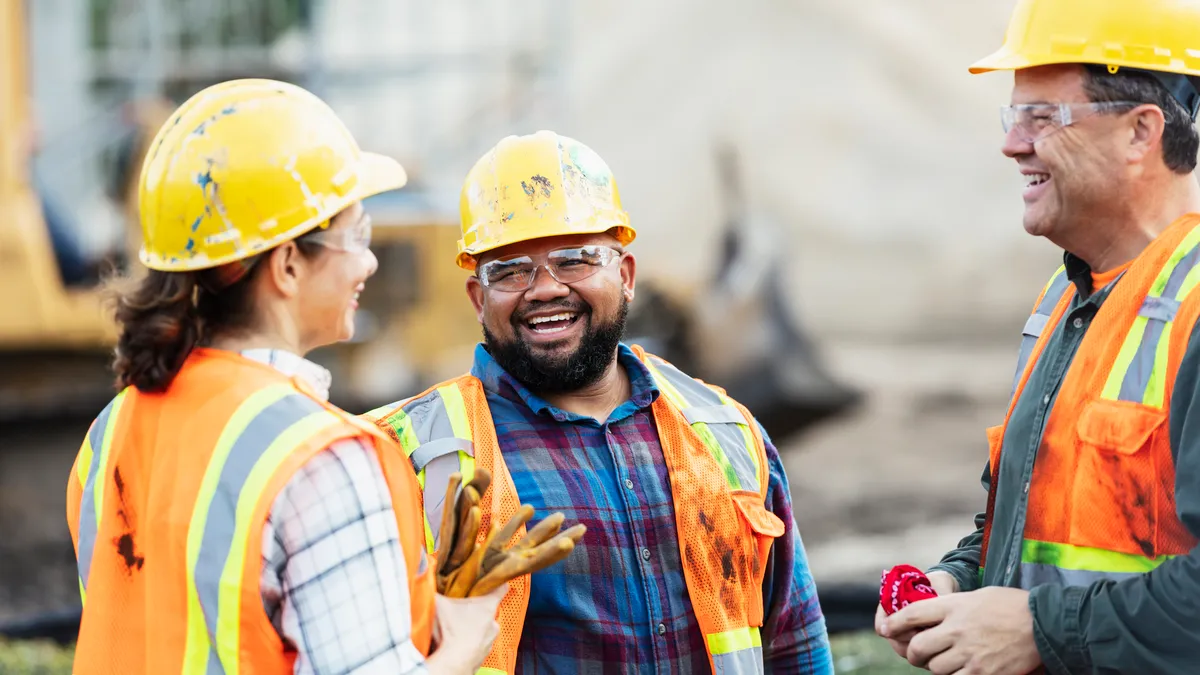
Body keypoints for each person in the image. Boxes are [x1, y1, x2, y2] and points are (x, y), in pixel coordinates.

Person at [64, 78, 506, 675]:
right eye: (357, 236)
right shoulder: (323, 458)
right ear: (289, 264)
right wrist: (466, 642)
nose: (369, 261)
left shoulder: (112, 429)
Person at [364, 130, 834, 674]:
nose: (543, 288)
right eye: (511, 270)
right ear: (477, 298)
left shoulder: (724, 429)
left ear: (627, 276)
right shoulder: (402, 454)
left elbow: (794, 645)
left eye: (574, 260)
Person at [875, 1, 1200, 673]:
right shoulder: (1065, 298)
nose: (1012, 142)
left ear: (1142, 131)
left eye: (1043, 116)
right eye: (1012, 114)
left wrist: (1037, 628)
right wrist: (960, 583)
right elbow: (1038, 529)